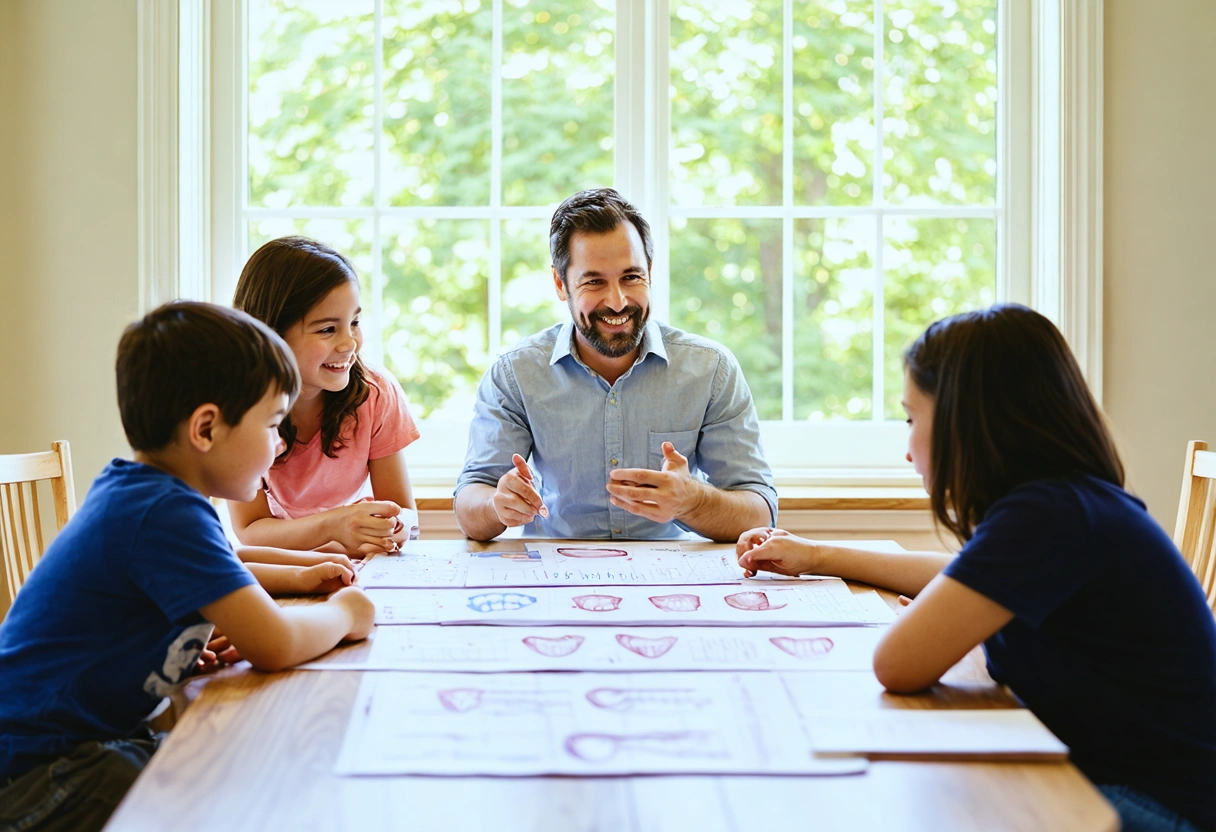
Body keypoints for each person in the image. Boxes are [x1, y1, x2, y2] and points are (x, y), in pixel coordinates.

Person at [736, 304, 1216, 832]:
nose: (907, 450)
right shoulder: (1068, 503)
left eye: (911, 418)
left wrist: (939, 619)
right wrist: (819, 556)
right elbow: (959, 570)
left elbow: (896, 664)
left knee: (913, 803)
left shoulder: (1045, 516)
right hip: (1138, 780)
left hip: (1152, 806)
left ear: (968, 423)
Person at [0, 302, 376, 832]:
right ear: (206, 428)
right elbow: (275, 644)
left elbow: (220, 561)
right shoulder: (162, 510)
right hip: (42, 767)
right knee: (219, 790)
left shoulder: (143, 492)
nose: (277, 444)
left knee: (218, 762)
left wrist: (300, 573)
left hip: (76, 741)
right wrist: (346, 613)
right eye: (271, 424)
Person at [455, 188, 776, 543]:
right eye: (594, 281)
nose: (618, 301)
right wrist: (496, 506)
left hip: (672, 580)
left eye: (631, 277)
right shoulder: (515, 374)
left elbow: (759, 512)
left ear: (649, 272)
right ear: (561, 284)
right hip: (556, 577)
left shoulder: (711, 370)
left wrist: (692, 500)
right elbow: (472, 504)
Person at [229, 237, 421, 555]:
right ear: (271, 334)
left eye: (354, 323)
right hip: (278, 563)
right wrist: (335, 526)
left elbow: (404, 511)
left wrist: (394, 526)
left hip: (352, 561)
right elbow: (250, 530)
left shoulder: (374, 394)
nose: (350, 344)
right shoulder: (237, 407)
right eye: (327, 329)